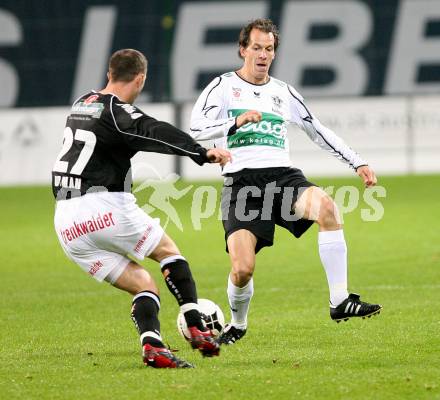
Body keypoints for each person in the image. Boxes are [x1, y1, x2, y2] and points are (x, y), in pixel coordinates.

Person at [190, 19, 382, 345]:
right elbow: (195, 129)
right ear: (242, 49)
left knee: (328, 209)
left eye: (269, 49)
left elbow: (317, 130)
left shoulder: (283, 92)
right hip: (242, 186)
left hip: (282, 178)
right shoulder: (222, 87)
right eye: (256, 48)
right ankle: (237, 323)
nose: (263, 55)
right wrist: (234, 122)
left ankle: (340, 300)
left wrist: (357, 161)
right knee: (242, 270)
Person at [52, 49, 231, 367]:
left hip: (66, 224)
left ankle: (154, 347)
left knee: (143, 284)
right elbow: (154, 130)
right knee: (168, 251)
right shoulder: (117, 112)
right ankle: (195, 323)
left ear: (109, 74)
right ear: (141, 79)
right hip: (103, 205)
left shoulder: (83, 102)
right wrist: (200, 152)